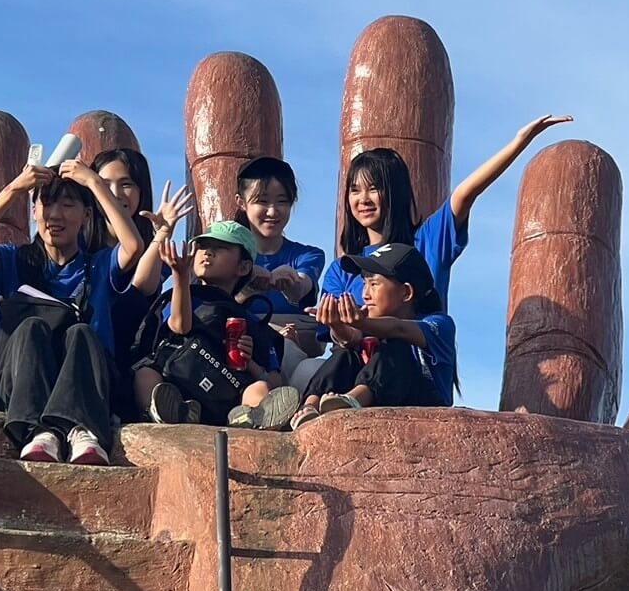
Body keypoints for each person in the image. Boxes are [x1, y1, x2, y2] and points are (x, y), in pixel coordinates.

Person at [0, 161, 146, 465]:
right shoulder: (16, 261)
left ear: (86, 216)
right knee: (31, 327)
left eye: (68, 205)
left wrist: (94, 183)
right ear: (34, 211)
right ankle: (40, 432)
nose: (55, 215)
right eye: (46, 203)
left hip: (88, 388)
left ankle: (82, 430)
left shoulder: (97, 266)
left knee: (81, 332)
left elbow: (134, 246)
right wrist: (13, 190)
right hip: (24, 384)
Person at [321, 116, 573, 308]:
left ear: (395, 193)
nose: (363, 200)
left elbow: (466, 193)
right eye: (355, 190)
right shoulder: (343, 269)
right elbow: (324, 333)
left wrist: (519, 142)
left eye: (374, 188)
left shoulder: (426, 241)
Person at [132, 221, 297, 428]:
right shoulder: (179, 296)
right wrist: (180, 276)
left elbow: (274, 378)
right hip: (176, 384)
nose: (208, 252)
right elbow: (180, 326)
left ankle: (245, 419)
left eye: (221, 247)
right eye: (202, 246)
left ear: (244, 267)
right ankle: (170, 415)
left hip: (226, 398)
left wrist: (250, 363)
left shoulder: (250, 322)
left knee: (260, 389)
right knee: (145, 375)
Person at [291, 244, 457, 429]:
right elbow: (350, 338)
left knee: (396, 347)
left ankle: (354, 400)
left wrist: (360, 322)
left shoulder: (439, 324)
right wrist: (336, 324)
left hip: (422, 407)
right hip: (385, 399)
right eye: (364, 284)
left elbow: (398, 328)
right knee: (345, 353)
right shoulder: (371, 324)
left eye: (374, 284)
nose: (365, 294)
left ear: (406, 292)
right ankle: (310, 406)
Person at [88, 148, 195, 398]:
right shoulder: (81, 247)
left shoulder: (150, 248)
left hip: (130, 357)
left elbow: (142, 288)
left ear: (141, 191)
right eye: (104, 184)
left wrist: (162, 234)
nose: (115, 193)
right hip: (87, 352)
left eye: (126, 184)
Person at [234, 156, 325, 314]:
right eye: (262, 201)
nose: (272, 211)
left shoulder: (308, 255)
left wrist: (290, 283)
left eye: (282, 201)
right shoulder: (229, 257)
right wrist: (247, 288)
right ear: (241, 202)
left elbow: (300, 288)